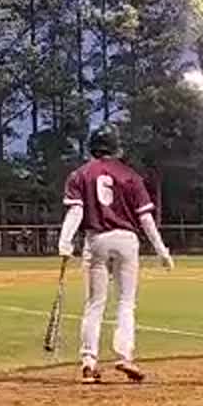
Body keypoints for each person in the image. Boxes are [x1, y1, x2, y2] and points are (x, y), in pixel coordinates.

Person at [57, 127, 173, 385]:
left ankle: (88, 363)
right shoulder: (130, 176)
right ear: (117, 147)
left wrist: (64, 242)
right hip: (126, 241)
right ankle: (124, 354)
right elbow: (145, 219)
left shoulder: (80, 174)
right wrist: (161, 250)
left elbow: (75, 212)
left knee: (95, 303)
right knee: (126, 302)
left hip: (96, 239)